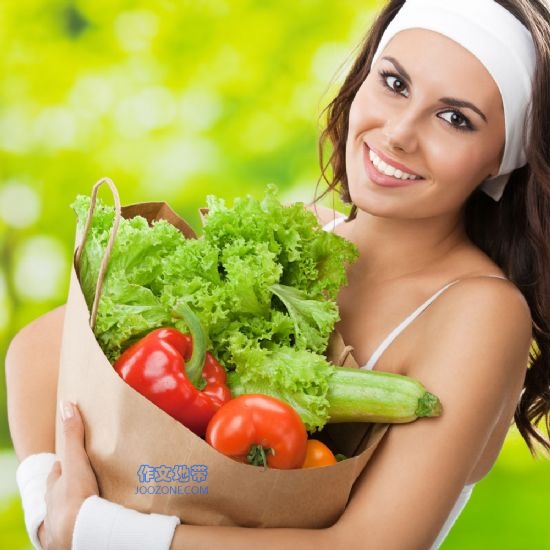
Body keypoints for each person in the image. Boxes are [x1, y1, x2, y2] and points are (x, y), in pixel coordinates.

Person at [6, 0, 550, 548]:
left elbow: (373, 545)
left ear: (501, 159)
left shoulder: (483, 311)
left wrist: (97, 531)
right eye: (394, 83)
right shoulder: (302, 236)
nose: (400, 132)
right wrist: (51, 514)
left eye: (455, 119)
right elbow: (37, 353)